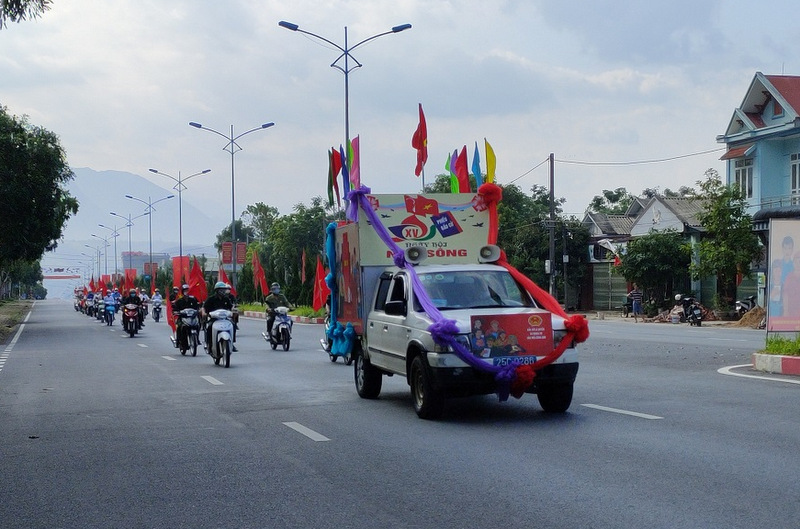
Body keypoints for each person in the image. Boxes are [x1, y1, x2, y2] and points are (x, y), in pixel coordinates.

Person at [202, 281, 236, 351]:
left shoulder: (226, 299)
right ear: (217, 290)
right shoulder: (211, 299)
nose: (223, 291)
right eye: (221, 290)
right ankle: (209, 344)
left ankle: (232, 342)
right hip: (214, 319)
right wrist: (204, 313)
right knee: (209, 327)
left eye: (224, 290)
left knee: (233, 325)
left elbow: (231, 307)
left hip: (224, 318)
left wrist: (234, 310)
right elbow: (204, 308)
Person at [173, 284, 200, 349]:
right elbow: (175, 310)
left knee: (197, 325)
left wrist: (198, 311)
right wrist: (176, 312)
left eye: (187, 290)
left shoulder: (193, 300)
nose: (186, 292)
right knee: (180, 327)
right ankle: (180, 342)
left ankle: (197, 339)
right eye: (185, 290)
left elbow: (197, 307)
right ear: (182, 292)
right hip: (182, 318)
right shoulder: (179, 301)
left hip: (192, 317)